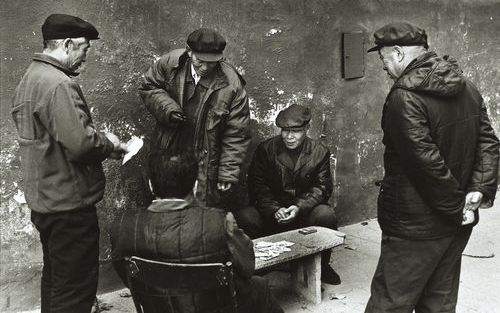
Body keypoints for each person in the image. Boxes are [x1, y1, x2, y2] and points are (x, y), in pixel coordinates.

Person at [365, 22, 499, 313]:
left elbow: (425, 164)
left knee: (390, 304)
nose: (384, 67)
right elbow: (488, 141)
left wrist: (456, 208)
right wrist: (477, 190)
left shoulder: (404, 97)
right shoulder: (467, 86)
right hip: (458, 221)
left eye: (383, 58)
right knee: (438, 304)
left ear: (398, 53)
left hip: (416, 225)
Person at [11, 14, 127, 313]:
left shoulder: (31, 78)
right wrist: (110, 143)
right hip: (69, 206)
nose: (85, 56)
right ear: (67, 44)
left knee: (56, 281)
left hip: (47, 202)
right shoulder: (58, 84)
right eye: (84, 48)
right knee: (74, 291)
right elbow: (81, 144)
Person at [110, 150, 283, 313]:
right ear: (194, 186)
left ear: (150, 185)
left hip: (159, 308)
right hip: (216, 308)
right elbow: (247, 267)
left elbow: (128, 278)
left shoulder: (121, 226)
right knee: (260, 286)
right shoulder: (221, 222)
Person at [139, 28, 250, 207]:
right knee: (164, 203)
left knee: (200, 208)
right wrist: (168, 108)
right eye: (200, 61)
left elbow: (237, 132)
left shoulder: (232, 84)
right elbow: (148, 86)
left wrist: (227, 171)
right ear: (189, 52)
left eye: (212, 63)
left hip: (205, 157)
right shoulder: (170, 63)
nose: (205, 68)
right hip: (169, 148)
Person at [234, 104, 341, 285]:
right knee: (245, 216)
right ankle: (259, 264)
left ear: (306, 129)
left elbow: (322, 188)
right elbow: (257, 185)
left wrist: (299, 207)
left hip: (303, 216)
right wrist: (274, 209)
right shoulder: (265, 149)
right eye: (285, 130)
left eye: (296, 131)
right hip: (272, 217)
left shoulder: (319, 151)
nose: (289, 136)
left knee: (326, 215)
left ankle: (322, 265)